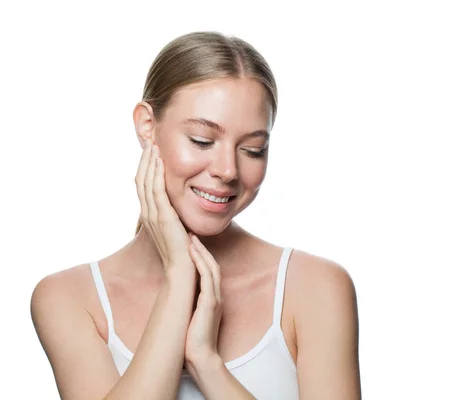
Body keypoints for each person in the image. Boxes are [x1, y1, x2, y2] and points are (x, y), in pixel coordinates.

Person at [30, 31, 361, 399]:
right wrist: (178, 279)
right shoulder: (69, 298)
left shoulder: (315, 288)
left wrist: (207, 362)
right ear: (146, 126)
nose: (228, 170)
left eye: (252, 149)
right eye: (202, 141)